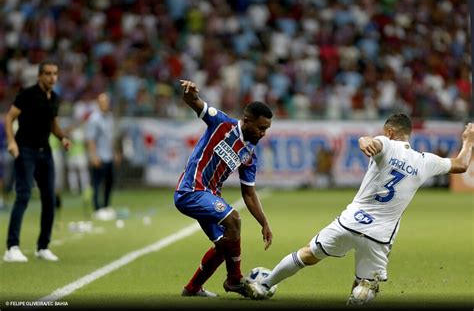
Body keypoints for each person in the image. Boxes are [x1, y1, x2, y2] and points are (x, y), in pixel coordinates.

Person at [248, 114, 474, 304]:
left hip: (351, 221)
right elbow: (462, 164)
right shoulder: (425, 161)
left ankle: (264, 285)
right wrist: (468, 141)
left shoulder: (386, 144)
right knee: (365, 286)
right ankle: (360, 293)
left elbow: (370, 141)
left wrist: (366, 141)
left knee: (308, 253)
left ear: (389, 131)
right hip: (380, 235)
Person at [175, 79, 273, 298]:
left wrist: (264, 223)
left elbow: (248, 193)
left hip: (208, 196)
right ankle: (235, 280)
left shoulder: (249, 155)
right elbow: (193, 102)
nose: (263, 133)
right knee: (234, 220)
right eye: (261, 128)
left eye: (266, 129)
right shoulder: (221, 123)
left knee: (224, 245)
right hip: (190, 190)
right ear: (246, 121)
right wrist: (190, 93)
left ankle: (192, 288)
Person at [3, 60, 72, 262]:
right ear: (39, 76)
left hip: (45, 151)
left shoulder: (54, 98)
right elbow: (9, 118)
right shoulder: (27, 94)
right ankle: (12, 247)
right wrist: (11, 142)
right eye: (48, 73)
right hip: (25, 150)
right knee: (23, 196)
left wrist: (63, 138)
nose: (52, 77)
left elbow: (54, 125)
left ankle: (43, 246)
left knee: (49, 199)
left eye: (55, 74)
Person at [85, 92, 120, 221]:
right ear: (98, 103)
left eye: (106, 102)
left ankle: (106, 206)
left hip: (109, 156)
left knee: (109, 183)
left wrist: (115, 153)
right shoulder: (94, 119)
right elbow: (90, 140)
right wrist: (93, 156)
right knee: (96, 183)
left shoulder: (109, 117)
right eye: (102, 102)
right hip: (99, 156)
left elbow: (111, 138)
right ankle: (97, 209)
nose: (105, 104)